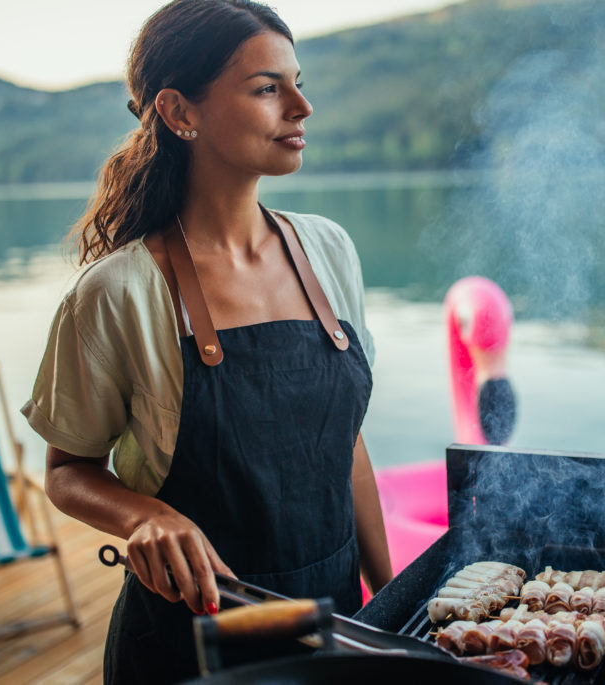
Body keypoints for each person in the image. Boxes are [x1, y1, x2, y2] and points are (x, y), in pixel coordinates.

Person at [20, 1, 393, 680]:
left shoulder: (329, 250)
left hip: (335, 631)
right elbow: (67, 471)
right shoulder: (117, 293)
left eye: (298, 81)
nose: (303, 106)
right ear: (179, 111)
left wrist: (392, 615)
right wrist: (146, 516)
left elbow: (346, 444)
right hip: (191, 652)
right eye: (267, 88)